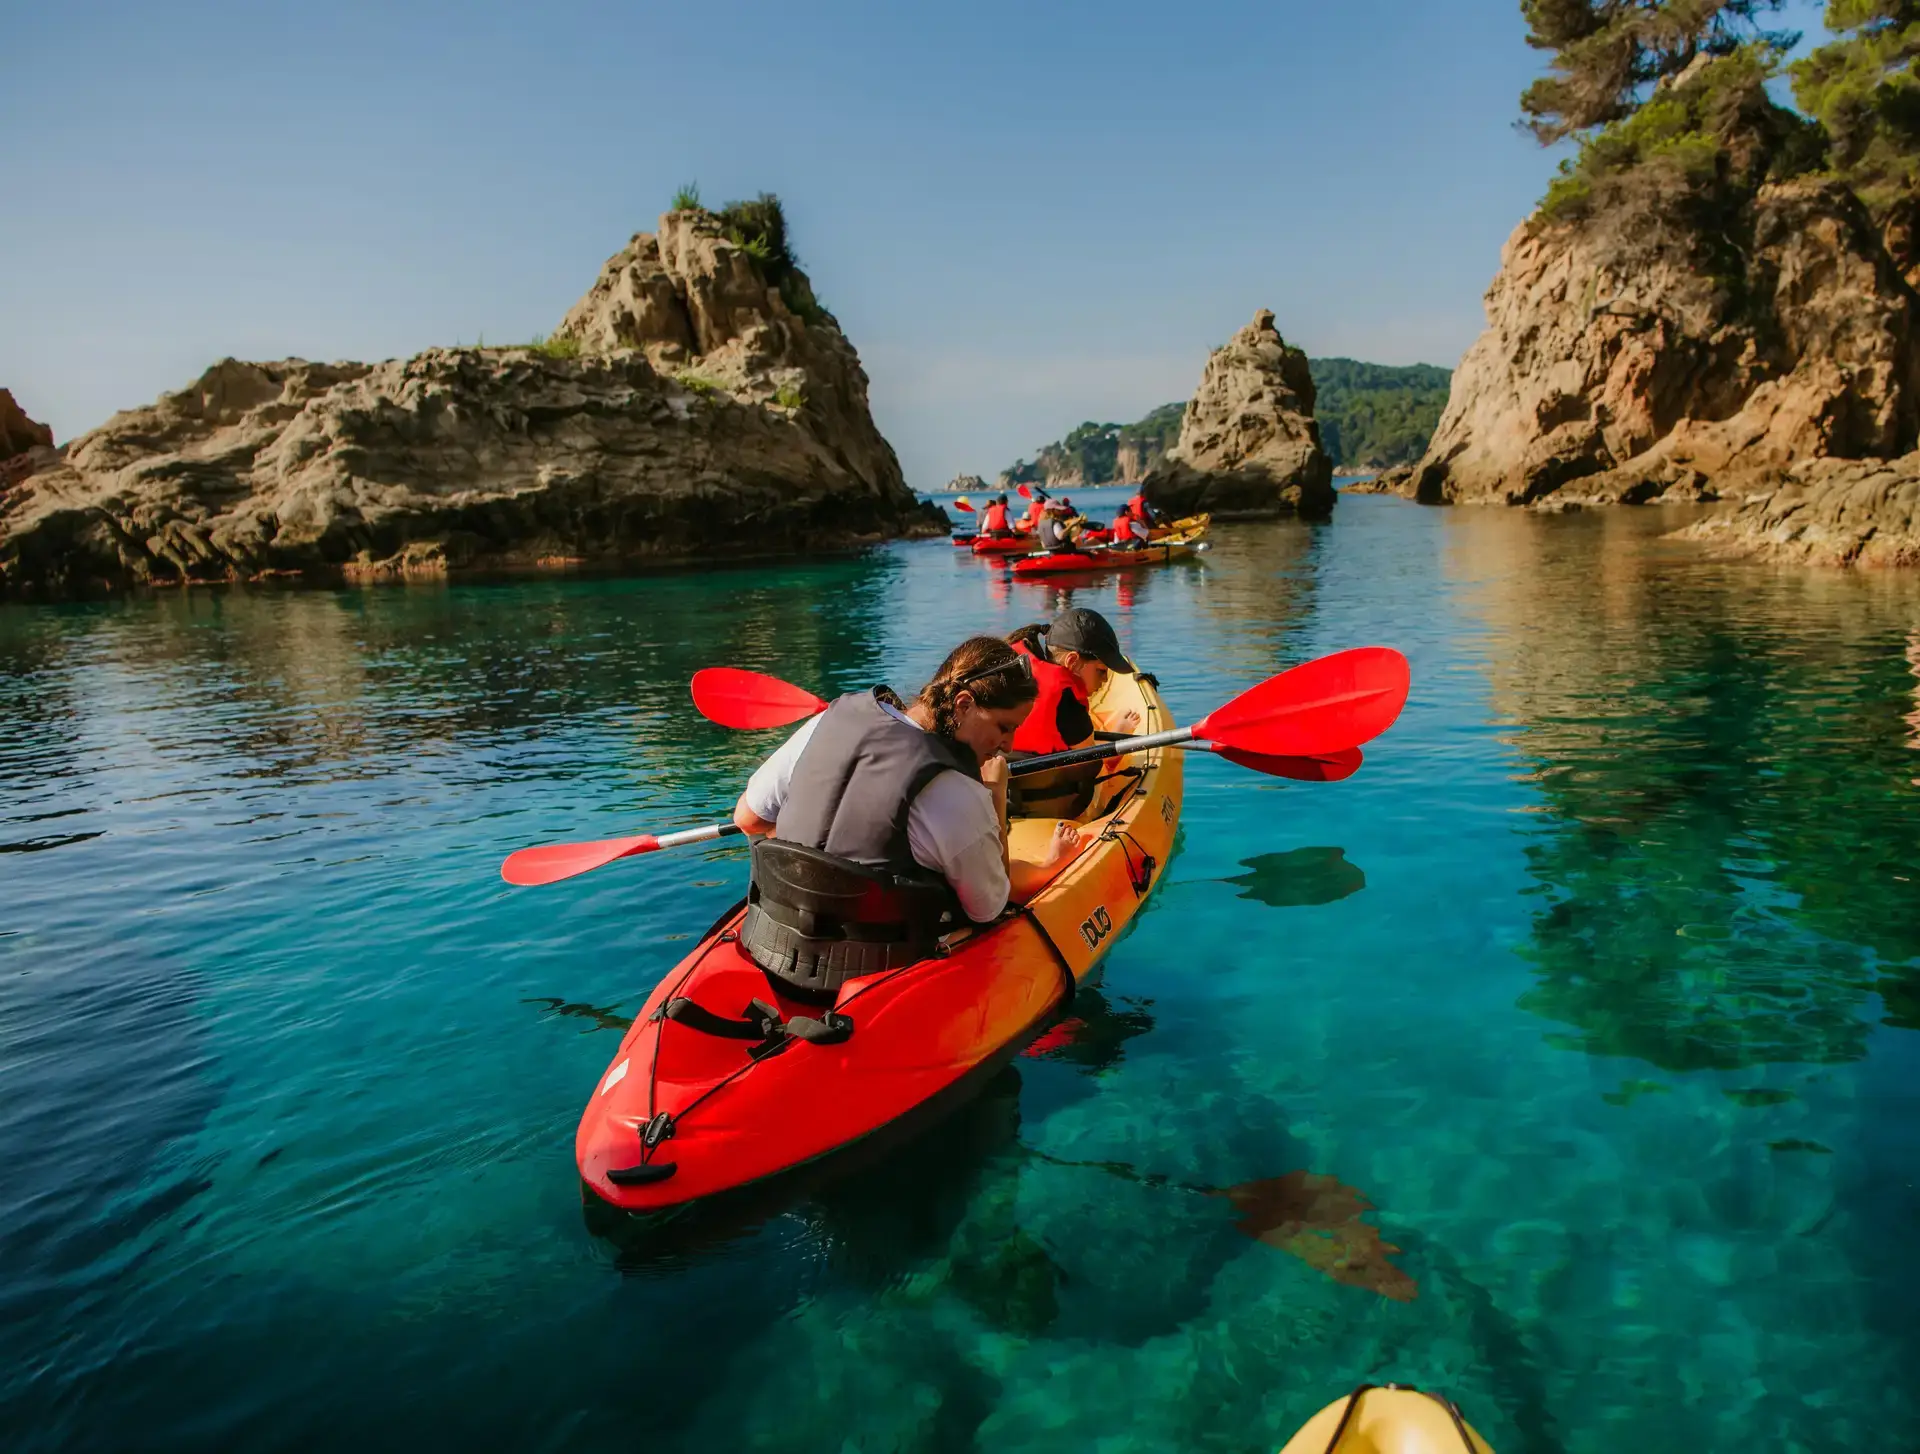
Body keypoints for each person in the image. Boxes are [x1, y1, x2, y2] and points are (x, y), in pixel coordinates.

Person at [731, 637, 1086, 994]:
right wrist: (994, 793)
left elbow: (748, 818)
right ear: (963, 704)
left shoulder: (828, 720)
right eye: (1004, 727)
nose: (1008, 745)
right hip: (873, 973)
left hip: (775, 943)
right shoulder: (956, 791)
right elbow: (989, 907)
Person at [1003, 609, 1144, 817]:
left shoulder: (1005, 665)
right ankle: (1119, 732)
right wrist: (1117, 742)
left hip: (999, 799)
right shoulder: (1068, 701)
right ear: (1072, 661)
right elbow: (1092, 762)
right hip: (1051, 807)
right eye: (1101, 671)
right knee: (1097, 761)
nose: (1104, 682)